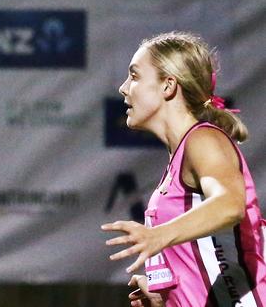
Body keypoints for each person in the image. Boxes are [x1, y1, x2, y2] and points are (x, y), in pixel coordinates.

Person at [101, 31, 266, 306]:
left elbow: (229, 204)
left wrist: (158, 235)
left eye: (135, 76)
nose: (123, 87)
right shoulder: (178, 160)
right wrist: (168, 296)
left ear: (168, 86)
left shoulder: (204, 139)